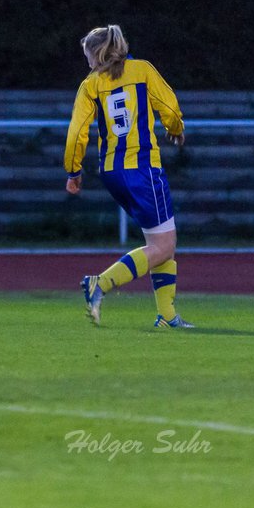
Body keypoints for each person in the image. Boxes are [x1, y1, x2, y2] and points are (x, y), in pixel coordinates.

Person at [63, 25, 193, 328]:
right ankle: (101, 284)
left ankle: (168, 316)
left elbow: (76, 133)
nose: (88, 63)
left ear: (98, 54)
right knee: (163, 245)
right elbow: (168, 104)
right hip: (143, 167)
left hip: (112, 172)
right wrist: (175, 129)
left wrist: (73, 170)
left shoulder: (90, 84)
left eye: (88, 57)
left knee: (160, 242)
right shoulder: (142, 70)